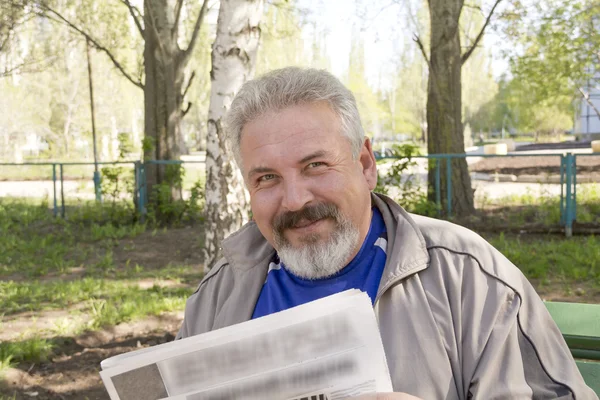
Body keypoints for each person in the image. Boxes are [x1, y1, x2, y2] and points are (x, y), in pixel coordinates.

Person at [177, 67, 597, 399]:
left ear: (364, 164)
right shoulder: (223, 291)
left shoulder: (469, 277)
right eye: (267, 178)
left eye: (315, 166)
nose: (293, 200)